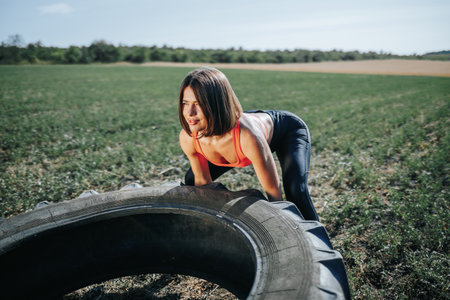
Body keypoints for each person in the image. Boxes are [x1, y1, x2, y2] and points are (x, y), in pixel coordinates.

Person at [178, 67, 319, 221]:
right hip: (235, 131)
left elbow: (273, 193)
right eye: (185, 103)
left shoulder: (248, 136)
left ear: (215, 104)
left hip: (287, 130)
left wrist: (281, 226)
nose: (189, 113)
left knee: (295, 190)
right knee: (192, 181)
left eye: (197, 104)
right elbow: (204, 188)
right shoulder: (188, 138)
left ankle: (317, 240)